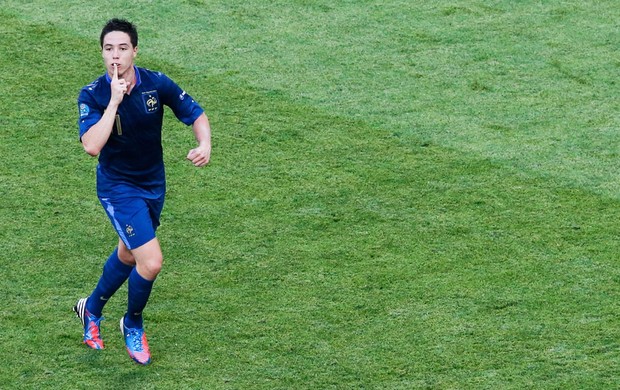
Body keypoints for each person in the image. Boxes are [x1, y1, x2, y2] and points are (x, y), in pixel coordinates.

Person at [73, 18, 211, 365]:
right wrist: (114, 103)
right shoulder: (92, 94)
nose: (115, 56)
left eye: (122, 48)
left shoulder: (156, 83)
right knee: (151, 262)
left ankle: (90, 309)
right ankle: (132, 322)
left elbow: (194, 112)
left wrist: (204, 142)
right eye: (108, 49)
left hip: (153, 185)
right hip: (118, 189)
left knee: (128, 255)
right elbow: (91, 145)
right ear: (102, 53)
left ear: (135, 50)